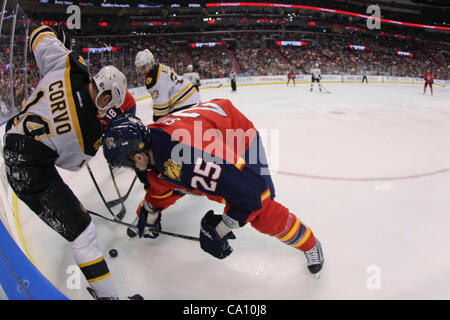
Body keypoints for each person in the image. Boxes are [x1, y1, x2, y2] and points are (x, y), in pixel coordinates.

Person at [102, 99, 325, 277]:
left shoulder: (189, 160)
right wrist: (148, 214)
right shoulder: (151, 140)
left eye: (126, 164)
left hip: (238, 138)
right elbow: (160, 185)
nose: (129, 169)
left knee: (263, 210)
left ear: (138, 156)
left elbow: (252, 197)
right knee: (171, 180)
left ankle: (310, 244)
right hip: (211, 127)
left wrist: (219, 230)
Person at [2, 25, 128, 299]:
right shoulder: (89, 135)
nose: (109, 111)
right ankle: (109, 297)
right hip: (29, 169)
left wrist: (57, 37)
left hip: (13, 135)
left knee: (81, 227)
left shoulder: (72, 65)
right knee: (83, 233)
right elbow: (69, 165)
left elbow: (39, 36)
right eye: (110, 105)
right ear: (105, 97)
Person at [135, 49, 201, 122]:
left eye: (144, 67)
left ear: (151, 63)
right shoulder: (158, 67)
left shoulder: (154, 79)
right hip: (191, 96)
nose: (142, 71)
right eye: (139, 68)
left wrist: (157, 120)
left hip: (185, 103)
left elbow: (162, 108)